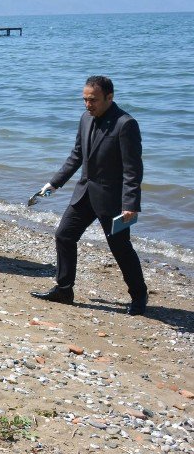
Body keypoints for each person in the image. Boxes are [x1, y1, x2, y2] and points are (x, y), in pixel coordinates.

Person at [30, 76, 148, 315]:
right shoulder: (85, 118)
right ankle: (64, 289)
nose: (87, 105)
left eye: (92, 100)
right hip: (84, 193)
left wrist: (130, 204)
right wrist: (54, 183)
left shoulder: (126, 124)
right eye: (84, 99)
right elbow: (76, 155)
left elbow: (132, 170)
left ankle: (139, 295)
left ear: (109, 97)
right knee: (64, 235)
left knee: (120, 248)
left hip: (112, 200)